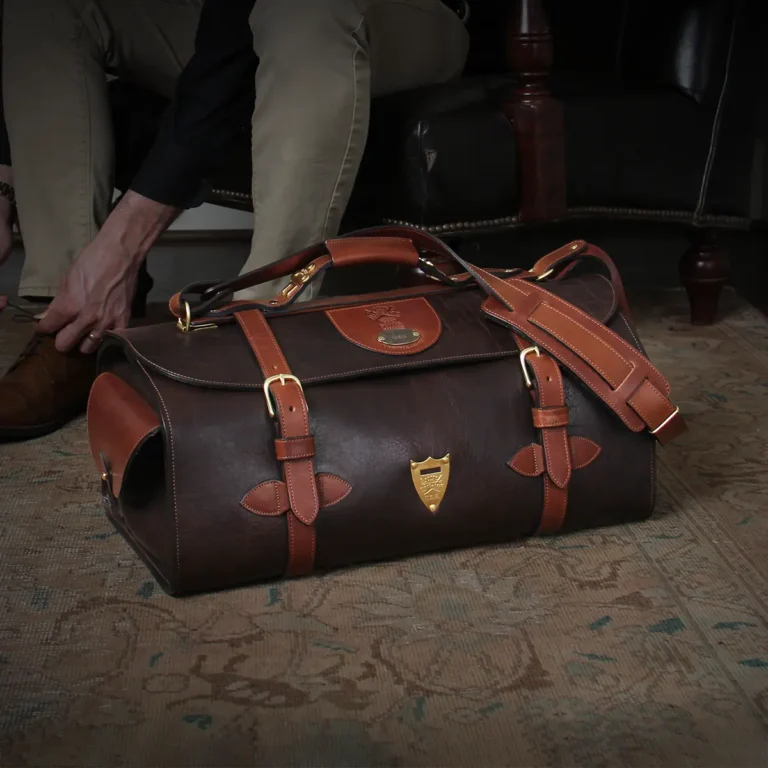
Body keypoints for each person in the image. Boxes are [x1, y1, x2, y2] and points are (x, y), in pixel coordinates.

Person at [0, 0, 469, 440]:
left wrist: (125, 241)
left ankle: (262, 328)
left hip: (399, 15)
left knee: (300, 9)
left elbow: (229, 51)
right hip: (224, 18)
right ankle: (71, 323)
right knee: (48, 7)